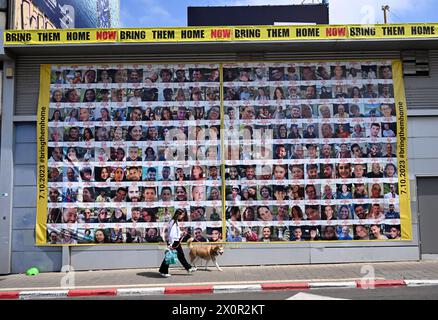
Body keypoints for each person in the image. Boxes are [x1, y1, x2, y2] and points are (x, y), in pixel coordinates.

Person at [159, 210, 197, 277]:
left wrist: (182, 233)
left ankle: (188, 268)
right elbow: (171, 234)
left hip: (175, 241)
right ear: (178, 215)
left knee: (180, 255)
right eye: (182, 215)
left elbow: (176, 232)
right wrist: (170, 244)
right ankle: (163, 271)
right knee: (169, 256)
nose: (182, 216)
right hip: (173, 242)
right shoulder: (173, 222)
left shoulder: (175, 221)